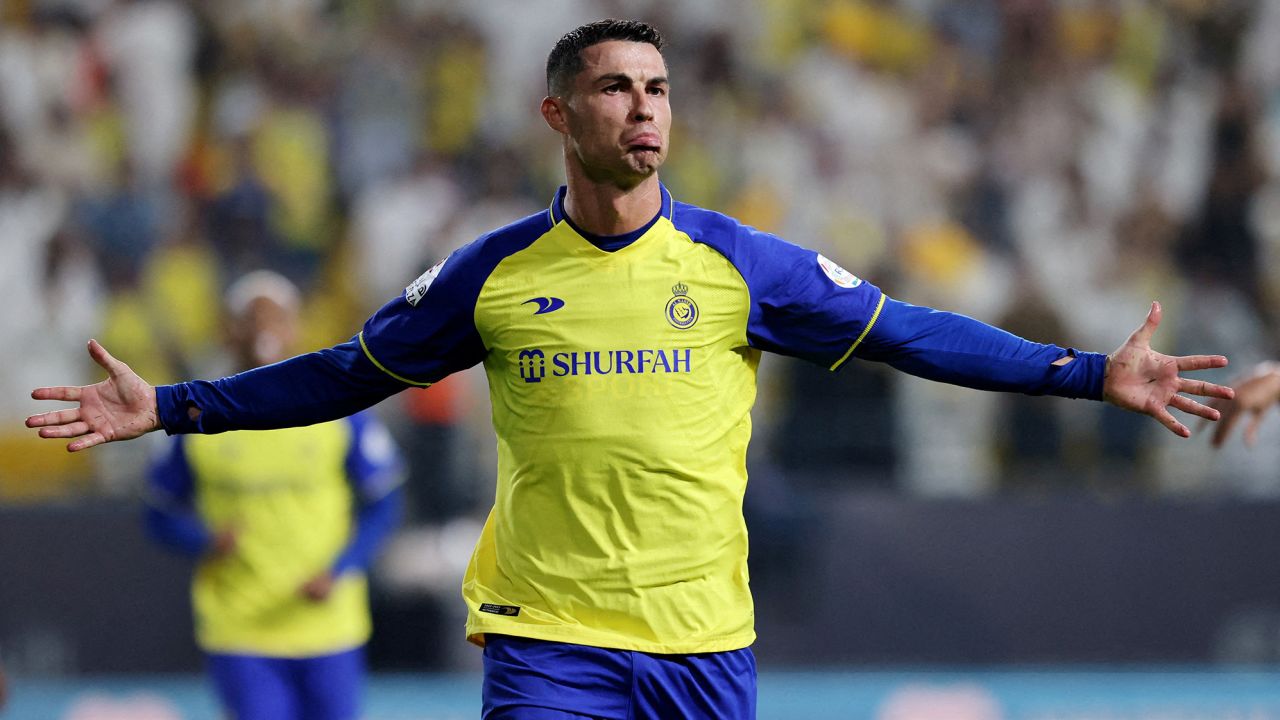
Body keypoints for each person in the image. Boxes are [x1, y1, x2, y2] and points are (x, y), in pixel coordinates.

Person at [28, 19, 1234, 720]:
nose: (644, 109)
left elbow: (915, 331)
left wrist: (1086, 377)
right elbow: (347, 374)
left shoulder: (740, 266)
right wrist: (175, 408)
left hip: (705, 643)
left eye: (657, 89)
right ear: (559, 114)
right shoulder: (491, 276)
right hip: (548, 640)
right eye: (616, 87)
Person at [141, 270, 405, 720]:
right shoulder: (194, 416)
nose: (264, 330)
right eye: (251, 319)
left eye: (277, 318)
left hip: (328, 625)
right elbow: (158, 510)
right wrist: (203, 540)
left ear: (296, 326)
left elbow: (384, 502)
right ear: (228, 330)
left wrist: (341, 569)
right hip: (241, 627)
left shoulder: (337, 407)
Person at [1210, 361, 1280, 447]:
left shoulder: (1269, 367)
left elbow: (1244, 378)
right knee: (1218, 441)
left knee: (1207, 419)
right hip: (1243, 402)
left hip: (1234, 391)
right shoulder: (1274, 381)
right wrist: (1252, 427)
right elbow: (1263, 408)